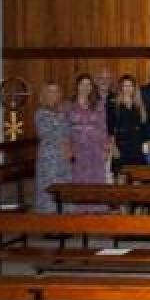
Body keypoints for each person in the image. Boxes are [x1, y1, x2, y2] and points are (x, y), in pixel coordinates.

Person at [66, 74, 109, 192]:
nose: (85, 87)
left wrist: (105, 149)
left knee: (96, 180)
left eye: (88, 84)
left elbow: (103, 128)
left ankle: (97, 208)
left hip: (95, 149)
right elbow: (64, 130)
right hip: (77, 149)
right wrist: (67, 148)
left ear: (92, 87)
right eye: (82, 84)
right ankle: (79, 208)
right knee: (78, 179)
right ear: (77, 86)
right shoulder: (68, 106)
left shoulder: (98, 105)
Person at [33, 82, 71, 212]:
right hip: (49, 157)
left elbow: (69, 130)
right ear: (44, 95)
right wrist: (65, 144)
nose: (54, 94)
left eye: (56, 91)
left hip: (64, 157)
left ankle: (63, 220)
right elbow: (46, 133)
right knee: (50, 188)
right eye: (50, 91)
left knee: (64, 187)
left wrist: (69, 145)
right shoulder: (41, 113)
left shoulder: (64, 111)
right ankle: (49, 220)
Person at [107, 74, 148, 173]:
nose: (127, 88)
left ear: (134, 88)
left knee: (138, 176)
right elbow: (110, 129)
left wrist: (146, 144)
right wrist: (114, 148)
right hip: (121, 146)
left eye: (130, 86)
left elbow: (144, 127)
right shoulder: (113, 104)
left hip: (137, 146)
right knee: (121, 176)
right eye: (125, 86)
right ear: (121, 87)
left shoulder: (140, 105)